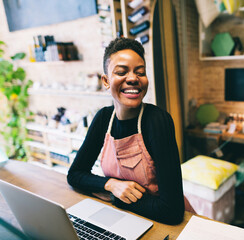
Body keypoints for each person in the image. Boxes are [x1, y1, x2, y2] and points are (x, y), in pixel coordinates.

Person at [67, 37, 184, 225]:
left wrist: (115, 197)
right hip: (121, 220)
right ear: (106, 81)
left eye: (140, 72)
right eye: (121, 72)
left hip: (160, 223)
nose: (132, 79)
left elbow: (172, 211)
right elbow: (75, 174)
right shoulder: (103, 119)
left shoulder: (157, 121)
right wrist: (111, 185)